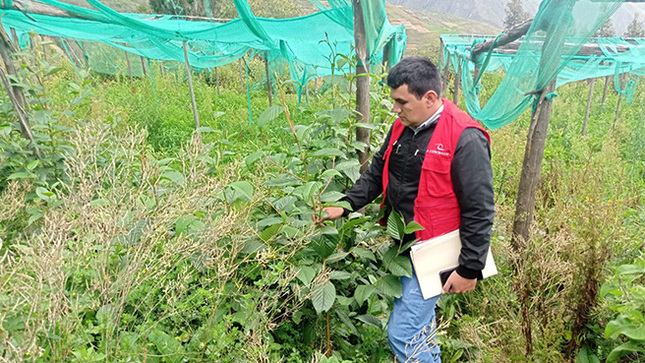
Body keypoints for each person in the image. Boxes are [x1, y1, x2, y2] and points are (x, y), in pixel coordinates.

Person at [316, 56, 494, 362]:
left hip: (438, 251)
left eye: (401, 101)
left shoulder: (465, 137)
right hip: (405, 244)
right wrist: (344, 206)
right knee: (419, 327)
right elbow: (376, 174)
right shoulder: (402, 127)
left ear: (430, 98)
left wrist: (470, 268)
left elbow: (480, 208)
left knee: (403, 332)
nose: (395, 109)